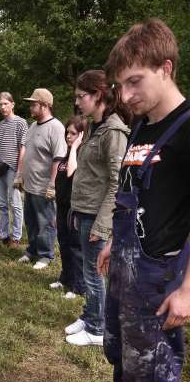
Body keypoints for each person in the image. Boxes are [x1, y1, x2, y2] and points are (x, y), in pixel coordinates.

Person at [97, 18, 190, 382]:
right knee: (118, 344)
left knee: (153, 365)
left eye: (135, 82)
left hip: (159, 273)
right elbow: (131, 193)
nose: (126, 95)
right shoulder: (140, 131)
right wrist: (114, 242)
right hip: (125, 261)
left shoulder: (187, 130)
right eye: (120, 86)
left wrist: (188, 290)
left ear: (166, 68)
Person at [65, 70, 131, 346]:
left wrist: (103, 224)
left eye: (82, 97)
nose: (78, 103)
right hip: (83, 210)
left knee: (94, 274)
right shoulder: (95, 126)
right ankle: (89, 313)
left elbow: (118, 183)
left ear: (98, 95)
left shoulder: (113, 132)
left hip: (96, 216)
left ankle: (97, 329)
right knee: (86, 269)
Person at [15, 88, 67, 269]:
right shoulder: (32, 126)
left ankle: (45, 255)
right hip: (30, 185)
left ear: (44, 105)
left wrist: (52, 185)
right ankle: (32, 250)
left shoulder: (56, 128)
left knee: (45, 222)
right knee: (30, 220)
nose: (30, 108)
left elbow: (58, 158)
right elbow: (26, 151)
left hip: (44, 186)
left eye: (33, 104)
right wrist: (20, 175)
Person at [50, 115, 88, 298]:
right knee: (63, 244)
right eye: (67, 132)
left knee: (76, 247)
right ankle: (65, 278)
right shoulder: (66, 155)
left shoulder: (81, 155)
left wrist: (75, 147)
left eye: (73, 133)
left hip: (76, 209)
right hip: (62, 208)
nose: (68, 136)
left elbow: (72, 171)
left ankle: (78, 286)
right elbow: (61, 183)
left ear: (82, 135)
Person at [0, 92, 28, 247]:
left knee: (15, 203)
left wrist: (19, 172)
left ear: (13, 104)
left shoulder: (21, 123)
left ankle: (16, 237)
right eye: (0, 104)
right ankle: (4, 234)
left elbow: (23, 148)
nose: (3, 107)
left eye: (6, 103)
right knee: (2, 204)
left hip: (12, 168)